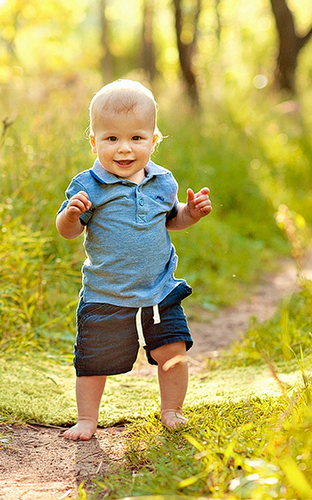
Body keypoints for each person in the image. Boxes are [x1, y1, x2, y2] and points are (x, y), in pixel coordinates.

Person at [55, 79, 212, 441]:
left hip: (159, 290)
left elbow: (171, 219)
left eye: (136, 138)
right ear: (94, 142)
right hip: (106, 294)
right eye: (111, 138)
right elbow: (68, 231)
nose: (124, 148)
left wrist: (190, 213)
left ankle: (171, 410)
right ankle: (86, 419)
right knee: (93, 362)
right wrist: (70, 215)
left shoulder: (163, 181)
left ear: (153, 140)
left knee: (172, 351)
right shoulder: (88, 186)